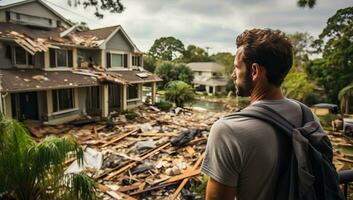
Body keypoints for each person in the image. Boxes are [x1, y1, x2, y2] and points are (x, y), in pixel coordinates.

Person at [200, 28, 318, 200]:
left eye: (236, 67)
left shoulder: (228, 131)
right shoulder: (307, 116)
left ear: (254, 71)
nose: (233, 75)